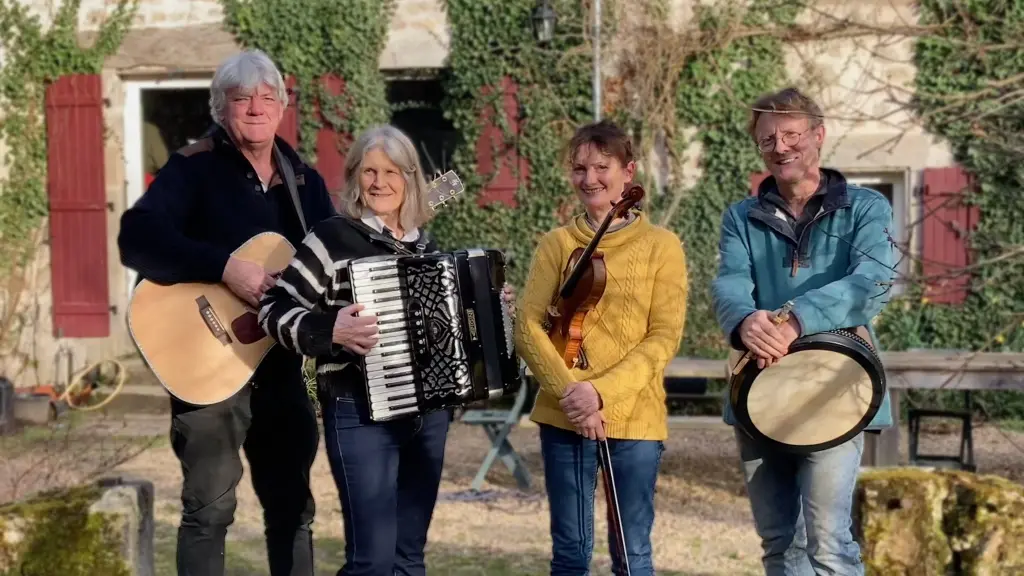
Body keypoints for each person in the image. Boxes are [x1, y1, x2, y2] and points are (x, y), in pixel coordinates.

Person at [118, 50, 336, 576]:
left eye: (267, 98)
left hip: (279, 368)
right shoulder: (193, 168)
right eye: (242, 99)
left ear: (282, 106)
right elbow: (137, 237)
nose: (256, 108)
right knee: (209, 511)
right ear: (222, 107)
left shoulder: (305, 183)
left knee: (292, 511)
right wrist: (223, 268)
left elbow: (338, 262)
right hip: (205, 365)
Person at [260, 124, 512, 576]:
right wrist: (329, 329)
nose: (380, 182)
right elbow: (273, 309)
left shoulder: (424, 246)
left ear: (410, 178)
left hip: (429, 417)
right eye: (369, 171)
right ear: (355, 177)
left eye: (392, 171)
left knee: (408, 559)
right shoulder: (332, 238)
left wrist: (491, 307)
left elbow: (454, 330)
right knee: (372, 562)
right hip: (358, 412)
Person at [711, 87, 895, 576]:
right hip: (757, 390)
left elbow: (873, 282)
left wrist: (794, 318)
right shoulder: (740, 217)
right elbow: (729, 283)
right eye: (767, 138)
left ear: (818, 135)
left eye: (791, 134)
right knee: (778, 544)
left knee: (831, 545)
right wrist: (743, 319)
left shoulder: (867, 208)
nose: (780, 147)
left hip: (837, 388)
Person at [514, 120, 689, 575]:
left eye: (601, 166)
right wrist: (575, 396)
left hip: (634, 418)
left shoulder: (661, 246)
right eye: (579, 168)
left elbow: (663, 337)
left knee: (632, 556)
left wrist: (600, 393)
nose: (589, 179)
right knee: (570, 555)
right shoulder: (557, 244)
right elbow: (527, 327)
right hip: (564, 414)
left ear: (627, 171)